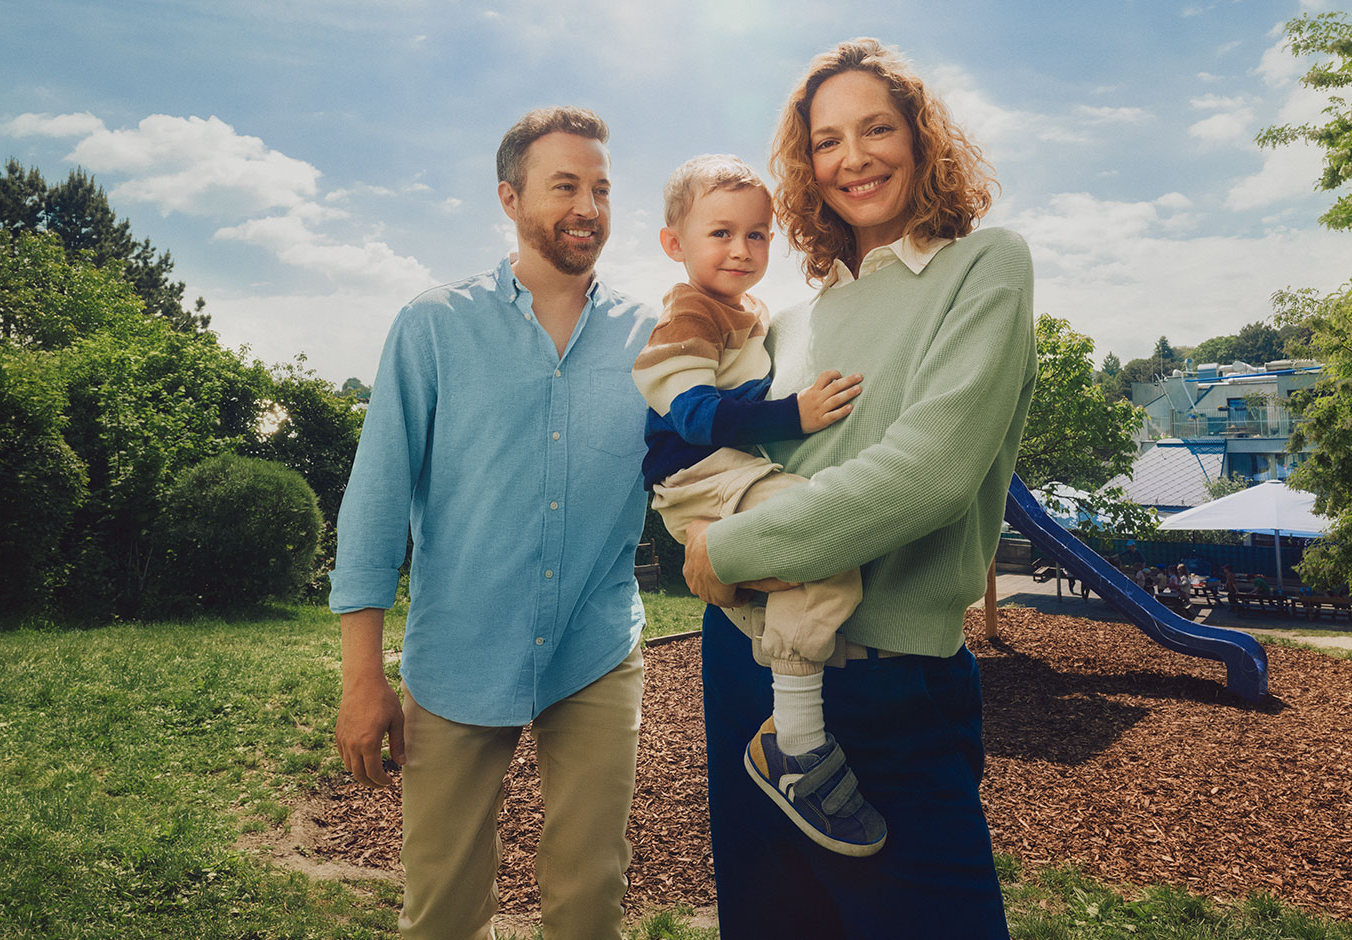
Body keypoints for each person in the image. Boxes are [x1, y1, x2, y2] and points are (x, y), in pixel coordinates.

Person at [681, 38, 1036, 939]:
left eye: (878, 128)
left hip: (889, 683)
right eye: (827, 141)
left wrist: (727, 548)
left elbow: (929, 474)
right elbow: (741, 462)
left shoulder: (983, 267)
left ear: (922, 140)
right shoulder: (793, 318)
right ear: (807, 168)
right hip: (742, 668)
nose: (854, 158)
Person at [329, 107, 656, 940]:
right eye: (565, 186)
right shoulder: (434, 326)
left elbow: (704, 467)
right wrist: (362, 677)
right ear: (510, 198)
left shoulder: (654, 340)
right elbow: (374, 502)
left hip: (595, 648)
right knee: (441, 912)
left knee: (590, 906)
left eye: (602, 189)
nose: (588, 207)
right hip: (458, 656)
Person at [633, 154, 883, 856]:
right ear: (674, 244)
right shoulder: (689, 312)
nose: (742, 250)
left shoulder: (747, 312)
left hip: (728, 474)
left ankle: (749, 605)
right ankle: (795, 743)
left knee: (809, 560)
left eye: (758, 235)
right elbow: (695, 417)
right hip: (700, 476)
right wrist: (791, 415)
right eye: (720, 234)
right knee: (825, 542)